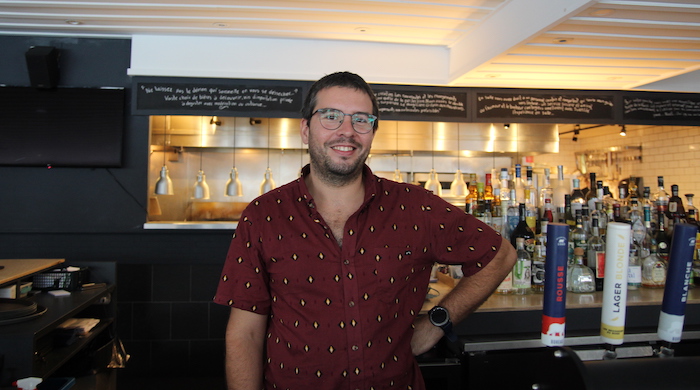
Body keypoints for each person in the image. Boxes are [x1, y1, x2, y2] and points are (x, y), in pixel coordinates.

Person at [214, 71, 516, 390]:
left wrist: (436, 323)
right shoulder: (264, 216)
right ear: (305, 129)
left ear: (372, 132)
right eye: (331, 116)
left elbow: (500, 255)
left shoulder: (417, 207)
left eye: (361, 120)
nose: (347, 132)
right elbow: (244, 333)